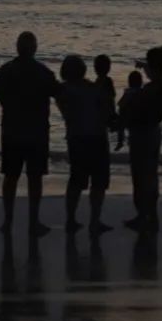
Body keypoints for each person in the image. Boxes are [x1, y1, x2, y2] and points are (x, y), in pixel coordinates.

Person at [0, 31, 57, 237]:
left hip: (12, 131)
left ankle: (8, 221)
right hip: (36, 132)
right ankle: (33, 222)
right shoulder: (43, 72)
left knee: (10, 177)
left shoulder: (6, 70)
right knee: (34, 178)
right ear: (34, 48)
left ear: (17, 48)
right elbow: (59, 93)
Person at [56, 54, 113, 236]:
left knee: (76, 181)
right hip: (96, 137)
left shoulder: (62, 91)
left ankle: (71, 219)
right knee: (98, 182)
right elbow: (106, 108)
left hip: (76, 138)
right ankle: (94, 221)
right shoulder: (92, 88)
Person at [128, 45, 162, 232]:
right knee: (151, 175)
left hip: (142, 134)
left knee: (140, 177)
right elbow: (158, 75)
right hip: (154, 133)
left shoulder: (149, 90)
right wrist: (145, 65)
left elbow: (135, 110)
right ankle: (151, 215)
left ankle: (142, 215)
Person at [116, 69, 145, 220]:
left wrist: (120, 140)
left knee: (137, 177)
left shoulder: (127, 97)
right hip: (149, 137)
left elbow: (121, 120)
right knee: (148, 176)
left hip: (135, 138)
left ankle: (140, 213)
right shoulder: (146, 95)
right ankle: (148, 213)